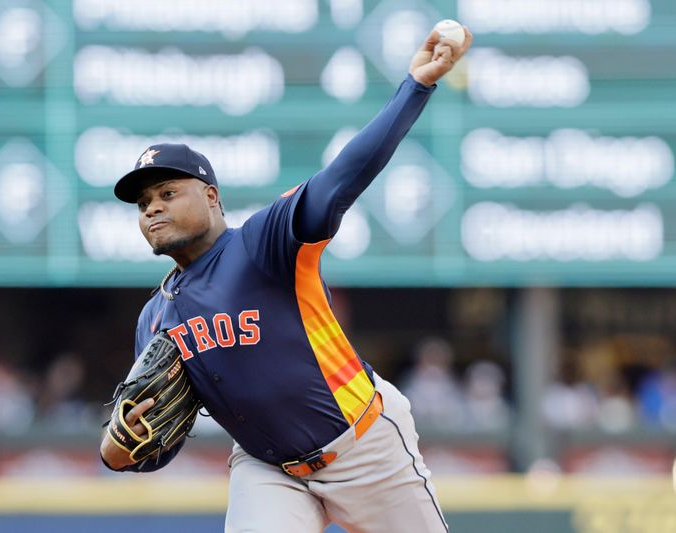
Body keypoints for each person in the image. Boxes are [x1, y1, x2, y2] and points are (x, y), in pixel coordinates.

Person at [100, 25, 472, 533]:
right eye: (143, 205)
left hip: (363, 447)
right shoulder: (156, 316)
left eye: (167, 192)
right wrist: (117, 450)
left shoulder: (263, 244)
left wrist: (415, 86)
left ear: (211, 197)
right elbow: (154, 446)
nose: (153, 209)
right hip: (266, 467)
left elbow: (344, 175)